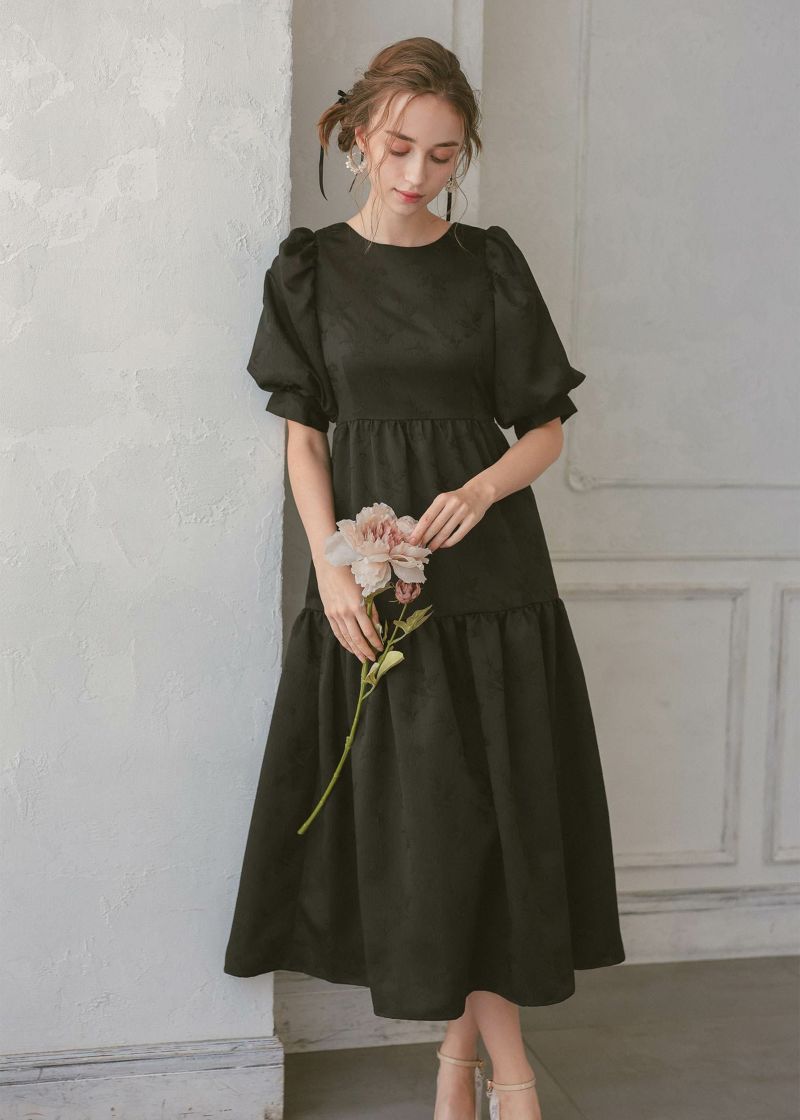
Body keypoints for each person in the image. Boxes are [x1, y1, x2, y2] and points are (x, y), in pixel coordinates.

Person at [224, 35, 625, 1120]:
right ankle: (489, 1073)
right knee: (439, 829)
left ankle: (484, 1074)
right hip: (373, 582)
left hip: (493, 581)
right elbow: (305, 438)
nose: (417, 173)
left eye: (443, 155)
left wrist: (483, 488)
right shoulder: (308, 269)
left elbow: (545, 429)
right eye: (399, 147)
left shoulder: (487, 263)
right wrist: (334, 574)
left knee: (494, 823)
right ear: (357, 137)